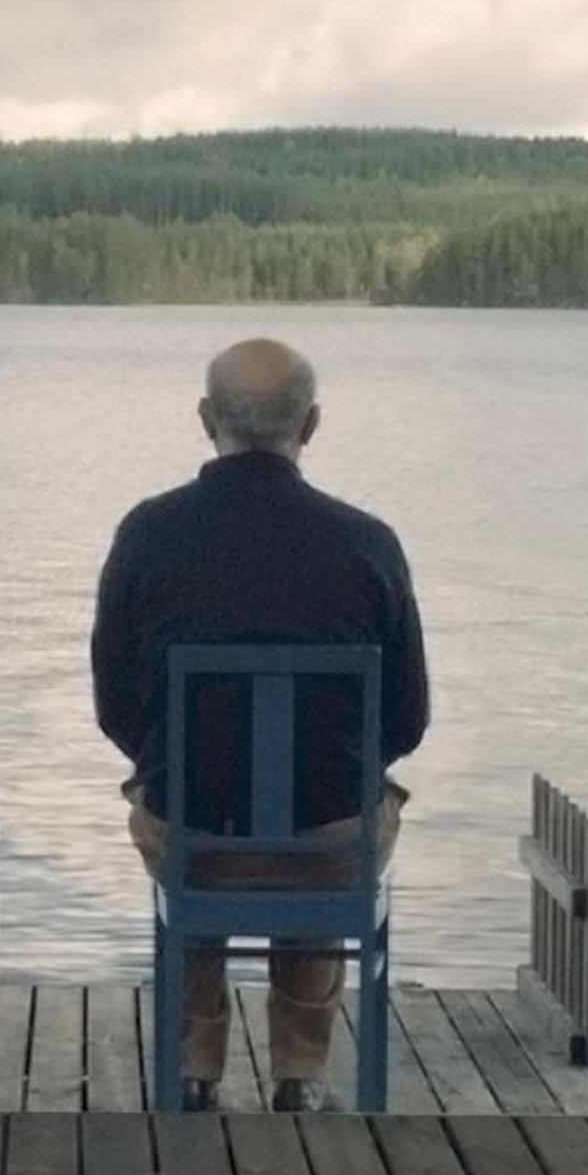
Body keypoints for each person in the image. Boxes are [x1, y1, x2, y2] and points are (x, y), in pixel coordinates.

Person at [90, 336, 429, 1111]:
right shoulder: (368, 543)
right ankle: (298, 1073)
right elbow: (407, 718)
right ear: (309, 425)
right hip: (327, 850)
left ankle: (193, 1064)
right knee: (338, 804)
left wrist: (174, 765)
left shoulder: (147, 533)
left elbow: (115, 705)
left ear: (205, 418)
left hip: (194, 845)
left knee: (183, 798)